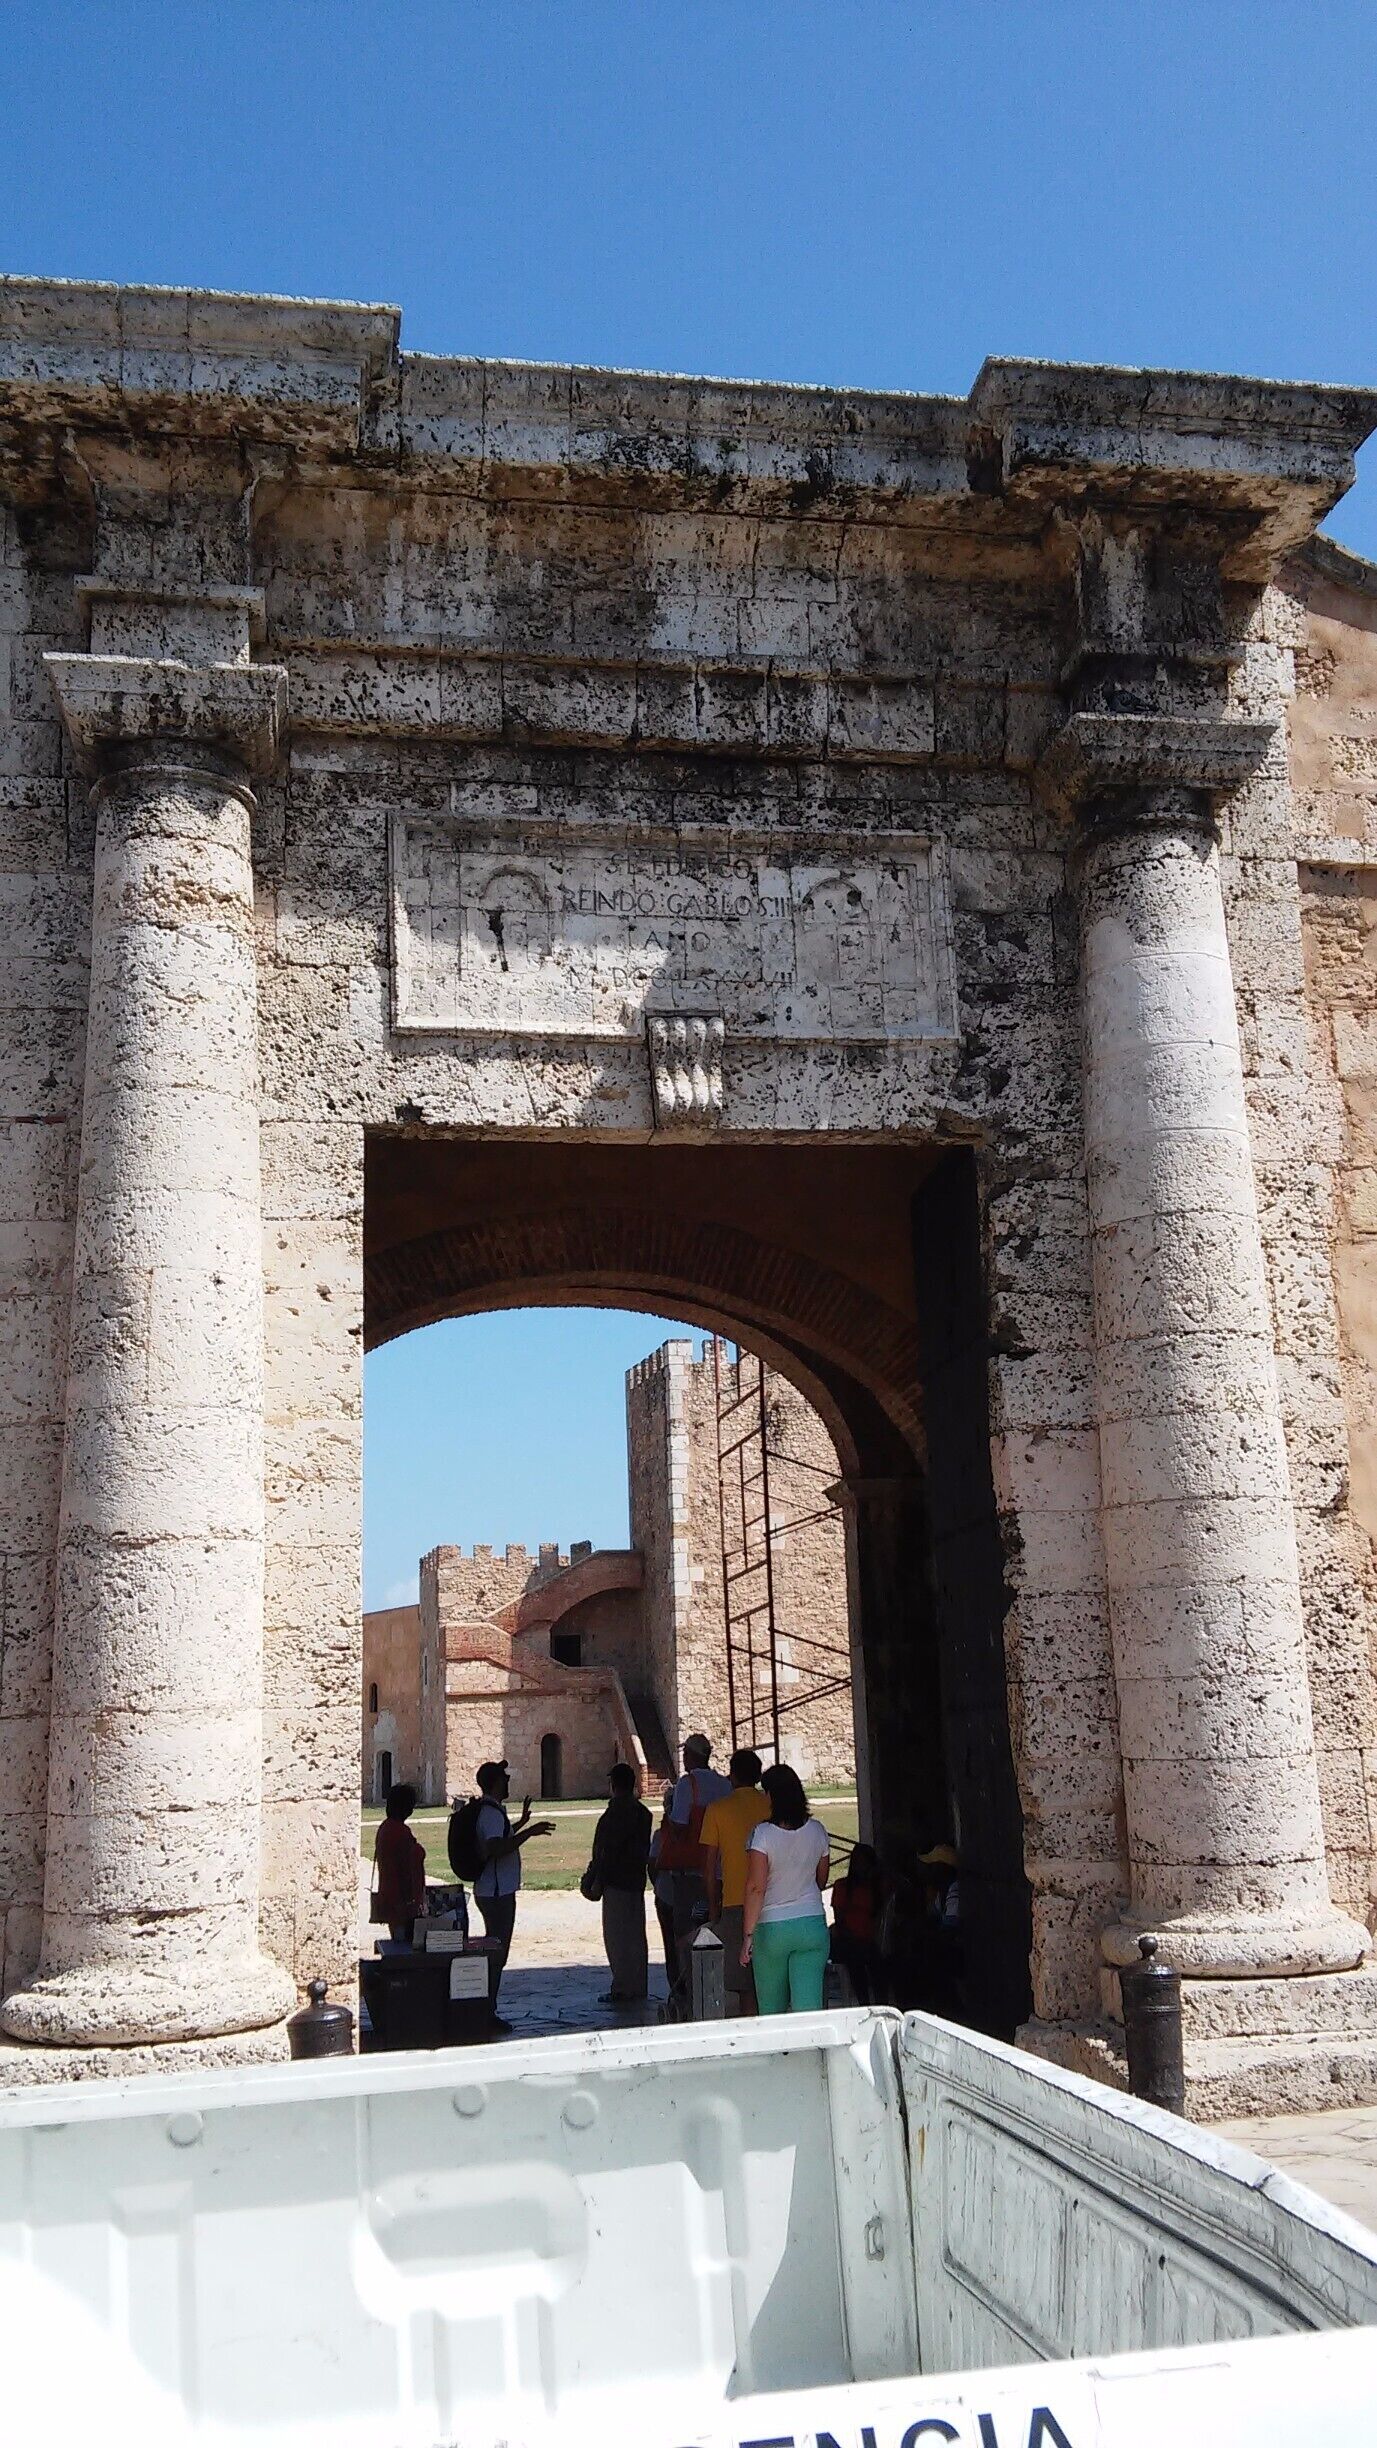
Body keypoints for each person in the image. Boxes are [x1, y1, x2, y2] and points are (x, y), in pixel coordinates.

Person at [741, 1763, 830, 2014]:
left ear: (771, 1795)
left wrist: (748, 1935)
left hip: (772, 1927)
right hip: (811, 1923)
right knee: (808, 2008)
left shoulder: (763, 1835)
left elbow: (756, 1887)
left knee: (772, 2011)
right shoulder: (818, 1831)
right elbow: (820, 1879)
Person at [471, 1759, 554, 2030]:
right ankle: (486, 2011)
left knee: (496, 1950)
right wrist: (529, 1832)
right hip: (496, 1892)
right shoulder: (491, 1813)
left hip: (493, 1889)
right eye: (504, 1778)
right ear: (495, 1783)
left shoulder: (491, 1812)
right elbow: (495, 1848)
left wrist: (521, 1823)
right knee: (497, 1952)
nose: (508, 1781)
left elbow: (500, 1838)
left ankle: (486, 2008)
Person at [700, 1749, 768, 2014]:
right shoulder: (771, 1805)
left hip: (735, 1902)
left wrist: (714, 1907)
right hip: (771, 1900)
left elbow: (708, 1868)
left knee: (744, 1983)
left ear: (732, 1776)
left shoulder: (718, 1810)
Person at [661, 1733, 731, 1986]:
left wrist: (668, 1811)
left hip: (690, 1870)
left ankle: (690, 1987)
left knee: (686, 1932)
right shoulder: (724, 1784)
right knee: (715, 1926)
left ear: (690, 1755)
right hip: (719, 1868)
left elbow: (679, 1826)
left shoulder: (686, 1785)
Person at [588, 1762, 653, 2004]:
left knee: (617, 1938)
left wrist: (597, 1877)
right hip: (635, 1879)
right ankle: (638, 1985)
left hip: (616, 1880)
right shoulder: (642, 1813)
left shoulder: (614, 1814)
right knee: (636, 1936)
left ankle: (623, 1987)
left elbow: (604, 1850)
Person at [828, 1841, 887, 2003]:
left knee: (877, 1963)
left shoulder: (875, 1889)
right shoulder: (841, 1886)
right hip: (845, 1939)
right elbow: (839, 1920)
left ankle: (882, 2004)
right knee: (855, 1958)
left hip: (867, 1941)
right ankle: (864, 2002)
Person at [372, 1782, 427, 1943]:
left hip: (392, 1897)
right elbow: (407, 1865)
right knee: (404, 1945)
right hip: (401, 1902)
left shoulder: (386, 1827)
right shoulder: (398, 1831)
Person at [647, 1784, 678, 1987]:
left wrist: (658, 1886)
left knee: (671, 1944)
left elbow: (652, 1865)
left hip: (667, 1893)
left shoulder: (661, 1835)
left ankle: (675, 1986)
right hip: (693, 1892)